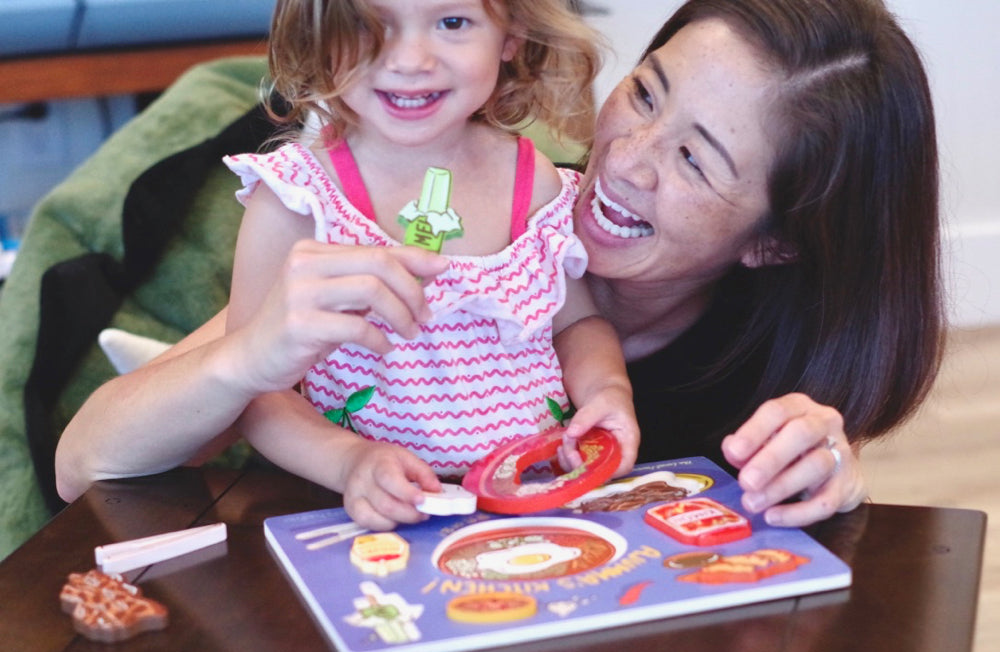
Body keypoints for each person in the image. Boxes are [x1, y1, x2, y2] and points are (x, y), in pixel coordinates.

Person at [55, 0, 942, 530]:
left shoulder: (763, 369)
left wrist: (828, 481)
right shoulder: (441, 238)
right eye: (645, 92)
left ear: (775, 241)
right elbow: (85, 462)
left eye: (694, 160)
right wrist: (249, 366)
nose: (625, 159)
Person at [221, 0, 640, 527]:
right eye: (370, 25)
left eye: (452, 22)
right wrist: (349, 462)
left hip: (538, 499)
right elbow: (255, 390)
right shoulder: (296, 199)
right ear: (320, 35)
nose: (410, 60)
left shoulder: (534, 182)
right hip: (370, 516)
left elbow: (577, 324)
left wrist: (607, 391)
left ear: (511, 36)